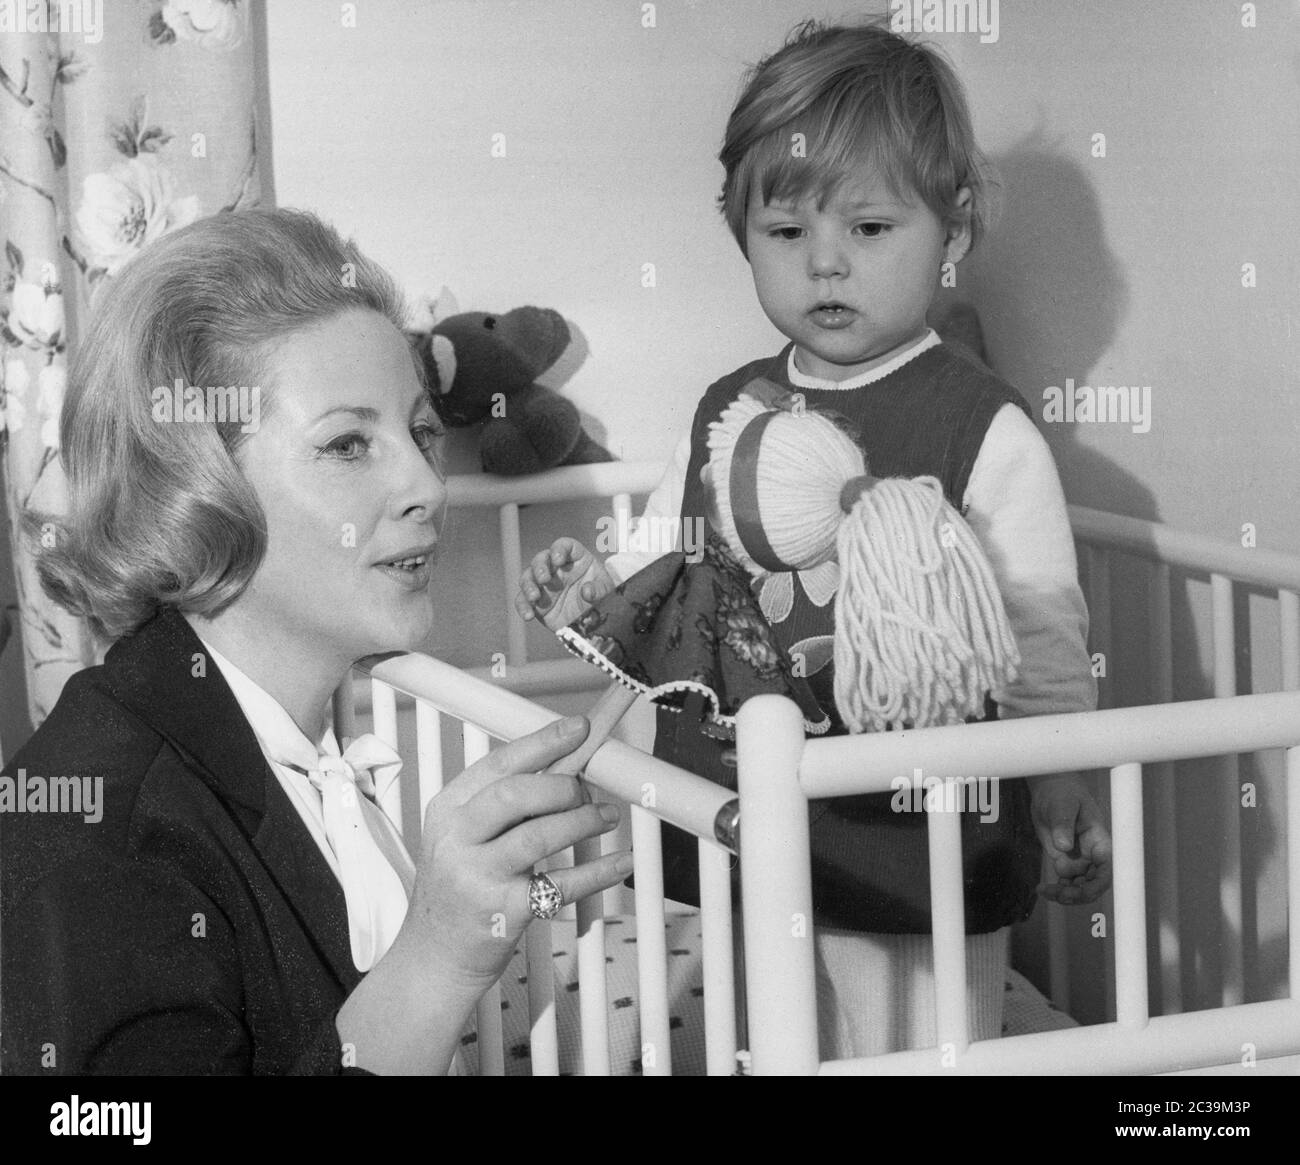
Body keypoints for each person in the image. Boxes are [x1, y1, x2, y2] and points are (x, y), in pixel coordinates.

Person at [518, 20, 1112, 1057]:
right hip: (748, 827)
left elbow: (1039, 624)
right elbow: (666, 559)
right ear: (739, 230)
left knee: (917, 1046)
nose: (826, 263)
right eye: (787, 234)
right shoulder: (724, 408)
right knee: (778, 1042)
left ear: (953, 230)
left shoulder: (979, 424)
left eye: (871, 230)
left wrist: (1062, 776)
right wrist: (590, 582)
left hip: (915, 836)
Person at [0, 207, 631, 1076]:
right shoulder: (98, 830)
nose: (424, 485)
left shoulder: (290, 754)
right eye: (346, 444)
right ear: (191, 486)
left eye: (419, 433)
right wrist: (436, 959)